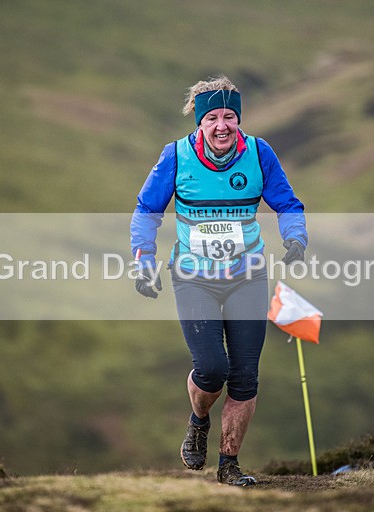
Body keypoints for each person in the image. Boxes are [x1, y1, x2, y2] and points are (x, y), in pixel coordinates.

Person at [130, 75, 307, 487]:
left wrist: (295, 237)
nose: (222, 125)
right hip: (194, 278)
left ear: (239, 120)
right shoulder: (175, 156)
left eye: (230, 116)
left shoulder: (260, 153)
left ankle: (229, 466)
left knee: (245, 375)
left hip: (247, 275)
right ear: (199, 122)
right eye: (212, 117)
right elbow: (146, 209)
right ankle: (199, 420)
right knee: (211, 369)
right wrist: (143, 259)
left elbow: (287, 202)